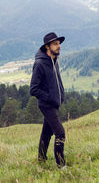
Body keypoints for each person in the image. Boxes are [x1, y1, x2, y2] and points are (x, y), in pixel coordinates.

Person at [30, 32, 66, 168]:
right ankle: (61, 165)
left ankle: (41, 160)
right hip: (46, 105)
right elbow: (33, 89)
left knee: (47, 133)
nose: (58, 47)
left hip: (54, 104)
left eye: (59, 44)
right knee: (60, 133)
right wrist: (50, 98)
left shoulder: (54, 60)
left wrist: (61, 95)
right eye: (55, 44)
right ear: (47, 46)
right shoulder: (40, 64)